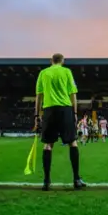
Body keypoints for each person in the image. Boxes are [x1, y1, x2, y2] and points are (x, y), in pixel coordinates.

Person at [34, 53, 86, 191]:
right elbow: (73, 94)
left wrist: (36, 115)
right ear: (62, 61)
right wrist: (75, 113)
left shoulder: (43, 73)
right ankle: (76, 179)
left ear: (51, 61)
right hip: (65, 109)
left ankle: (46, 181)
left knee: (48, 145)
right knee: (72, 143)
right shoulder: (67, 72)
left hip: (49, 110)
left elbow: (39, 96)